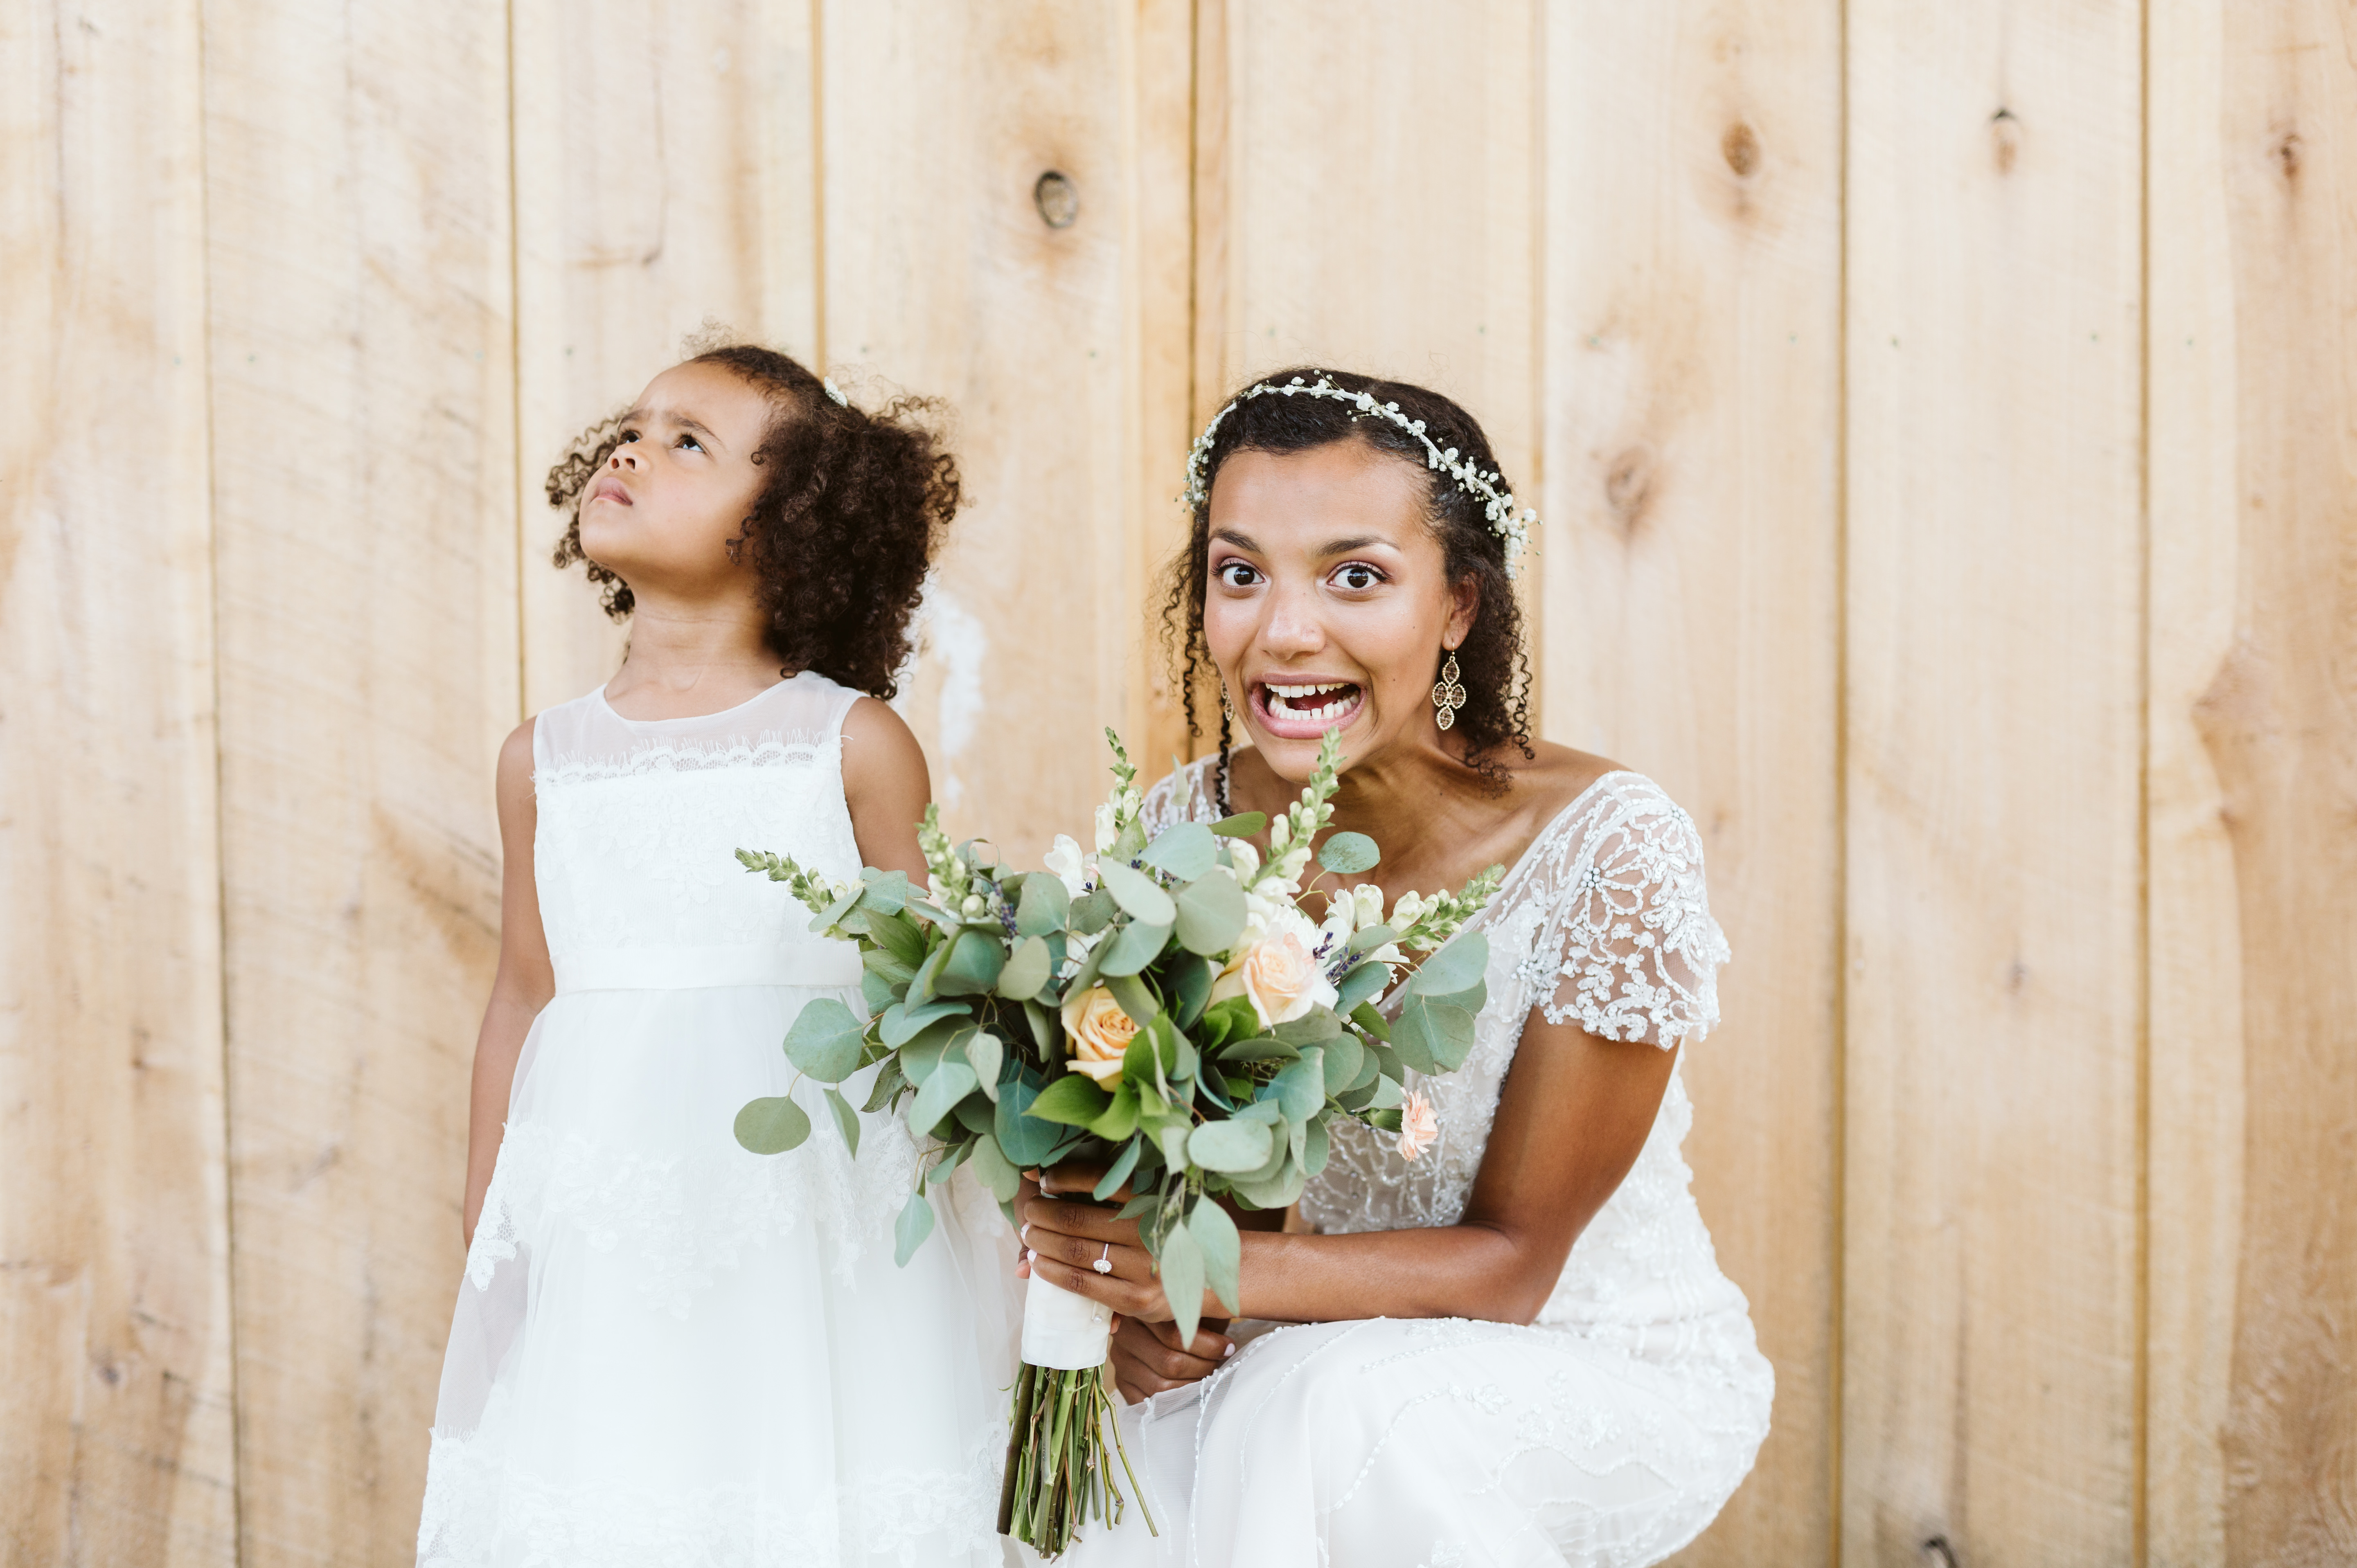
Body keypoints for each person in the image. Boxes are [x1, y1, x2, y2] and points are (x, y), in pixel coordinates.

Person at [1016, 369, 1773, 1566]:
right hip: (1302, 1350)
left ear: (1460, 605)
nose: (1285, 630)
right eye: (1240, 572)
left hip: (1592, 1358)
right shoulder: (1178, 838)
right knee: (1131, 1458)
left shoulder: (1607, 848)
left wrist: (1201, 1280)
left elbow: (1516, 1267)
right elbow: (1205, 1196)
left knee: (1338, 1406)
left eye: (1355, 576)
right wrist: (1150, 1331)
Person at [416, 345, 1018, 1566]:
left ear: (789, 524)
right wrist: (496, 1211)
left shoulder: (847, 744)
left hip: (809, 1217)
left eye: (691, 440)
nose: (631, 449)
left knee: (804, 1479)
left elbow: (930, 998)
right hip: (609, 1212)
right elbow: (526, 993)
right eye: (631, 428)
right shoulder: (544, 760)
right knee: (627, 1481)